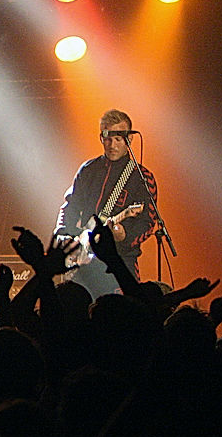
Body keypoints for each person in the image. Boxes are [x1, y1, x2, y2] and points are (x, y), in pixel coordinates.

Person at [54, 108, 159, 300]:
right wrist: (65, 235)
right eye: (107, 138)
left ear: (129, 139)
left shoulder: (142, 178)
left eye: (118, 139)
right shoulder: (88, 170)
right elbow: (70, 206)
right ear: (101, 137)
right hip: (84, 263)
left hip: (121, 263)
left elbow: (149, 222)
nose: (112, 145)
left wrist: (125, 235)